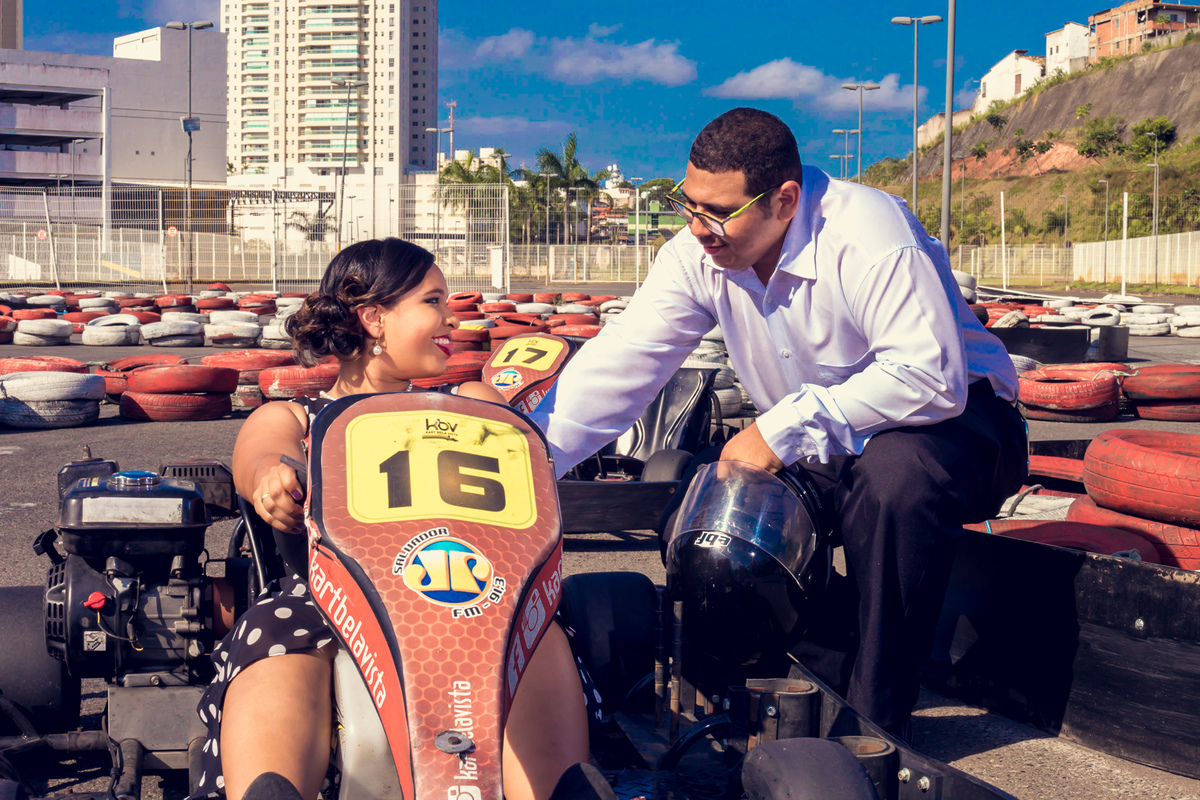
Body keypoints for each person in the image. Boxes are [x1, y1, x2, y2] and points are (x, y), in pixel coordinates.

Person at [530, 108, 1027, 737]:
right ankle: (848, 658)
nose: (698, 228)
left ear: (785, 200)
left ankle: (876, 729)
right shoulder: (697, 254)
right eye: (688, 205)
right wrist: (526, 462)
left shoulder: (868, 233)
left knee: (894, 482)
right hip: (822, 435)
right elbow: (621, 366)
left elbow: (930, 377)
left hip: (962, 424)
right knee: (707, 524)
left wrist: (776, 431)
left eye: (718, 213)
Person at [193, 238, 591, 800]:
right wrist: (272, 478)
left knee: (533, 625)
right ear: (374, 318)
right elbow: (261, 455)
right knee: (278, 627)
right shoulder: (294, 414)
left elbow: (522, 469)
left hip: (475, 592)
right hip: (332, 599)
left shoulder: (470, 400)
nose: (451, 318)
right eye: (433, 302)